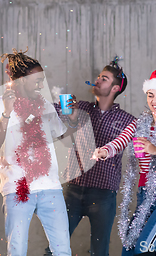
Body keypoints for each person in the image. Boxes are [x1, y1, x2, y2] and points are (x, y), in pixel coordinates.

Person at [92, 70, 156, 256]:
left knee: (143, 249)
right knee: (128, 252)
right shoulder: (140, 122)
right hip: (144, 197)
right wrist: (105, 151)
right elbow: (121, 140)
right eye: (150, 95)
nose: (154, 100)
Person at [0, 48, 71, 256]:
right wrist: (6, 113)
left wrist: (72, 118)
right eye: (37, 80)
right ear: (20, 80)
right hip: (16, 188)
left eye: (42, 80)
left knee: (63, 251)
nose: (41, 85)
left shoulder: (45, 105)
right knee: (17, 250)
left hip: (50, 187)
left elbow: (63, 136)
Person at [47, 57, 135, 256]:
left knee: (99, 251)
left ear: (115, 88)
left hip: (103, 195)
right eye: (98, 76)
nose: (97, 80)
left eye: (104, 78)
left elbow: (121, 142)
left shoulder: (128, 120)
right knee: (54, 248)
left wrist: (105, 150)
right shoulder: (81, 107)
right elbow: (49, 111)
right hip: (73, 190)